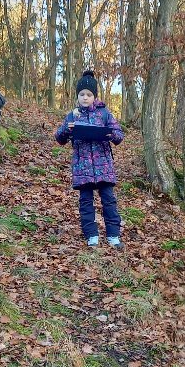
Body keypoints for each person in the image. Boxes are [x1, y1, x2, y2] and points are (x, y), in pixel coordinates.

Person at [54, 70, 125, 248]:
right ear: (77, 96)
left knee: (109, 201)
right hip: (82, 168)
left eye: (89, 94)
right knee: (86, 203)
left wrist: (109, 134)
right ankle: (91, 235)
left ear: (94, 96)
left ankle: (113, 236)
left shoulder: (105, 114)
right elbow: (59, 138)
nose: (85, 97)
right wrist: (67, 130)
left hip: (104, 167)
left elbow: (119, 135)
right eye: (82, 94)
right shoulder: (72, 115)